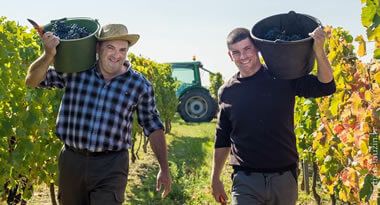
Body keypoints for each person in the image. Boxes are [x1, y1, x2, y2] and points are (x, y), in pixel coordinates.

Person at [25, 24, 172, 205]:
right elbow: (32, 80)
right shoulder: (76, 70)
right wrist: (48, 55)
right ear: (97, 48)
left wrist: (164, 168)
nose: (116, 55)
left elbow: (153, 125)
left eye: (122, 50)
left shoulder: (139, 85)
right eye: (110, 47)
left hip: (111, 165)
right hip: (72, 161)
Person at [210, 27, 336, 205]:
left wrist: (318, 50)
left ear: (257, 48)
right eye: (236, 52)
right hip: (246, 181)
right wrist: (215, 178)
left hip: (283, 179)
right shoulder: (227, 92)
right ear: (230, 56)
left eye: (247, 49)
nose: (243, 56)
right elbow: (222, 137)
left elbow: (326, 86)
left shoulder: (283, 76)